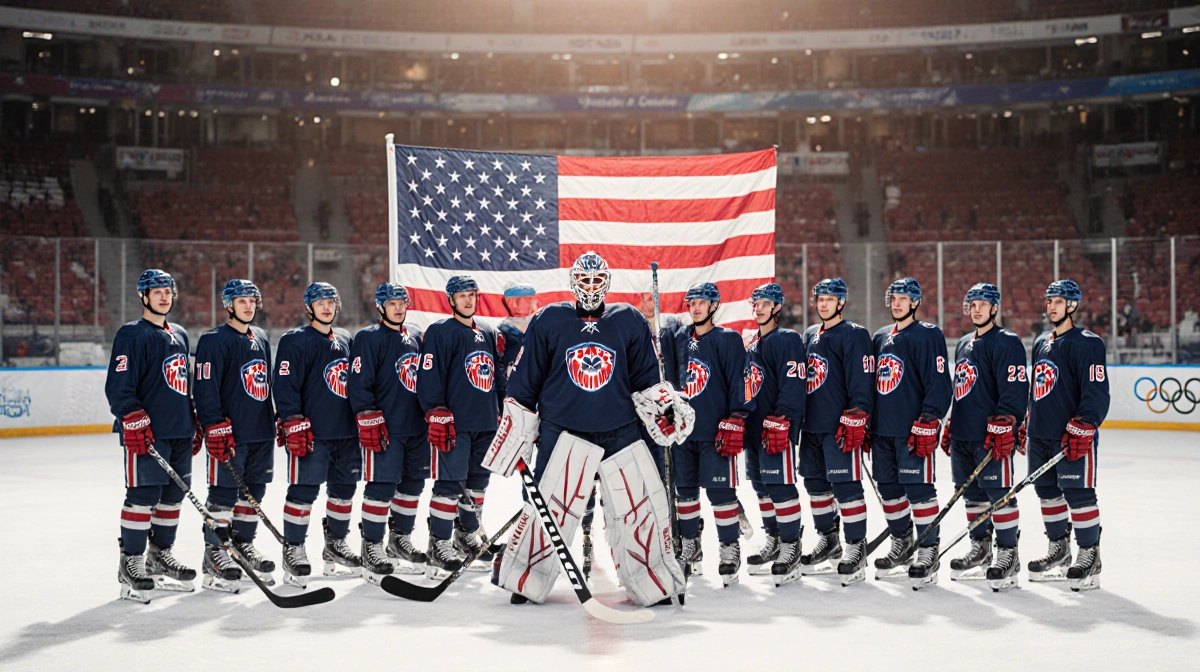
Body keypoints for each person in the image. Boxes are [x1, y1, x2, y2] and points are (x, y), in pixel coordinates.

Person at [485, 251, 690, 607]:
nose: (591, 287)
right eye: (585, 280)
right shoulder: (549, 319)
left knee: (637, 508)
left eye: (597, 281)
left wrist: (664, 405)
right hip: (563, 430)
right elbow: (525, 381)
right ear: (573, 282)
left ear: (606, 283)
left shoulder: (628, 320)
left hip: (620, 430)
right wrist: (518, 431)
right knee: (548, 507)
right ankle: (525, 578)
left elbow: (645, 379)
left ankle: (652, 579)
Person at [106, 269, 200, 603]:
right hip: (146, 433)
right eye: (156, 291)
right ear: (143, 296)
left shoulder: (180, 334)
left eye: (168, 291)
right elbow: (118, 386)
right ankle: (130, 561)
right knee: (143, 496)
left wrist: (194, 418)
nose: (163, 297)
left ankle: (160, 555)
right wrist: (130, 415)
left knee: (173, 497)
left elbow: (182, 384)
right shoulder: (131, 334)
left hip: (179, 431)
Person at [941, 282, 1029, 591]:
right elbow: (962, 388)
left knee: (1000, 493)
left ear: (994, 308)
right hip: (965, 434)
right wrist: (953, 421)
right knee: (972, 495)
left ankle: (1008, 553)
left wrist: (1007, 422)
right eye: (972, 304)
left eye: (982, 304)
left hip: (991, 437)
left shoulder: (1006, 342)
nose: (976, 309)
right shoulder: (964, 343)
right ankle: (981, 548)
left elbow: (1016, 389)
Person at [273, 282, 362, 588]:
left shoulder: (346, 339)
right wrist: (292, 420)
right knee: (304, 491)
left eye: (331, 302)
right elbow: (284, 385)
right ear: (309, 307)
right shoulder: (295, 340)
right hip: (312, 433)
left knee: (343, 490)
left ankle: (336, 545)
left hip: (346, 432)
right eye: (320, 302)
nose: (327, 307)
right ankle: (294, 548)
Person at [667, 282, 755, 586]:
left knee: (721, 494)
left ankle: (729, 548)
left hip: (715, 432)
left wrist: (736, 418)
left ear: (714, 306)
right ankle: (690, 546)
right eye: (691, 302)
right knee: (685, 493)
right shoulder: (678, 337)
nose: (695, 307)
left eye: (702, 302)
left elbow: (740, 382)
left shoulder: (727, 339)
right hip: (683, 432)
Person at [193, 279, 277, 593]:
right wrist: (213, 424)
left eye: (252, 301)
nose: (248, 306)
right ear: (229, 305)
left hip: (260, 432)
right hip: (230, 434)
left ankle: (243, 545)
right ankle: (215, 552)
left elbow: (263, 384)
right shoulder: (213, 340)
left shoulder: (262, 337)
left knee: (254, 494)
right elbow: (204, 387)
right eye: (241, 301)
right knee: (223, 494)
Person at [868, 278, 952, 590]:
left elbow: (939, 381)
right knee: (888, 490)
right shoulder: (879, 337)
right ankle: (902, 542)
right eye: (894, 298)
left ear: (915, 303)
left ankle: (928, 549)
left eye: (904, 299)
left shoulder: (927, 335)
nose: (898, 304)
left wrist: (930, 418)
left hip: (912, 429)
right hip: (882, 432)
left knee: (918, 489)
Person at [1027, 279, 1110, 591]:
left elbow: (1097, 391)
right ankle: (1059, 551)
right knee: (1047, 493)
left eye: (1058, 301)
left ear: (1072, 306)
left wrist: (1084, 424)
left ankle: (1090, 554)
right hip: (1042, 435)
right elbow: (1037, 390)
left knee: (1079, 493)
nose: (1051, 306)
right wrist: (1027, 423)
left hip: (1071, 436)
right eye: (1049, 301)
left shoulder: (1088, 343)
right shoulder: (1040, 342)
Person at [416, 275, 501, 577]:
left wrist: (502, 410)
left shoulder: (488, 331)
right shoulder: (441, 332)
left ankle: (466, 538)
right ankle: (438, 543)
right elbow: (428, 376)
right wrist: (435, 411)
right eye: (462, 295)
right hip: (455, 423)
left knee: (478, 484)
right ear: (450, 300)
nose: (468, 300)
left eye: (472, 295)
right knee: (450, 485)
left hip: (485, 422)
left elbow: (495, 376)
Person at [348, 283, 430, 582]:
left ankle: (400, 539)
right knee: (381, 486)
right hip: (385, 427)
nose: (398, 307)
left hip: (416, 426)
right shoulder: (369, 338)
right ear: (380, 307)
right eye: (391, 303)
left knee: (412, 485)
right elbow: (358, 381)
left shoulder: (416, 337)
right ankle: (372, 545)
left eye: (401, 302)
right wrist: (367, 414)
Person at [799, 278, 875, 586]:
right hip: (811, 426)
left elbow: (862, 378)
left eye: (830, 299)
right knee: (815, 485)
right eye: (820, 298)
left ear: (841, 302)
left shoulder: (854, 334)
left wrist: (858, 415)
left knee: (845, 486)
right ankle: (828, 539)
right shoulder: (809, 335)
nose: (824, 303)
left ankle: (856, 545)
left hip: (838, 427)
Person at [741, 283, 808, 586]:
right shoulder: (752, 342)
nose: (760, 307)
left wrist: (783, 419)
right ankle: (775, 539)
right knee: (762, 489)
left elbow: (793, 382)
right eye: (756, 302)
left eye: (766, 303)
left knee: (780, 488)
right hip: (753, 430)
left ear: (777, 308)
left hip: (774, 428)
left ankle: (792, 545)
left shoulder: (787, 339)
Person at [497, 282, 538, 383]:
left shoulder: (540, 324)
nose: (534, 302)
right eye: (528, 299)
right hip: (514, 382)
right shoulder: (504, 329)